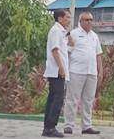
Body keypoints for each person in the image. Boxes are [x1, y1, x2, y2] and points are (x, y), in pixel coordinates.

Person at [62, 12, 102, 135]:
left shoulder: (94, 36)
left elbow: (98, 54)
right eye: (86, 20)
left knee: (88, 100)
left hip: (91, 72)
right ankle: (68, 125)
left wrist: (100, 71)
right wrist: (65, 69)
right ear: (80, 21)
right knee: (72, 99)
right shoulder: (73, 34)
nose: (89, 22)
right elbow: (66, 53)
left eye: (91, 19)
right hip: (76, 71)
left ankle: (86, 126)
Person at [42, 9, 71, 138]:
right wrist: (61, 68)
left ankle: (48, 127)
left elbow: (71, 45)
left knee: (53, 98)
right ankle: (50, 127)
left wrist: (68, 34)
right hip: (56, 70)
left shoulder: (61, 32)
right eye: (67, 18)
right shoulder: (56, 31)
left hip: (57, 70)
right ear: (60, 18)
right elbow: (55, 51)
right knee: (57, 99)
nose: (69, 20)